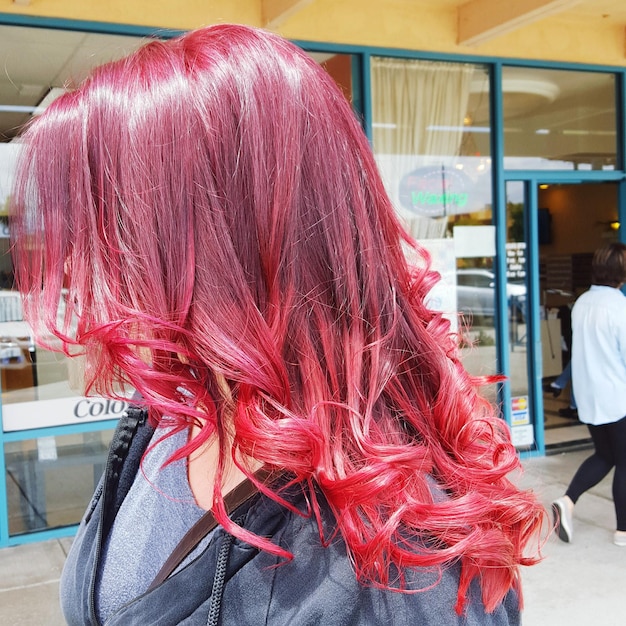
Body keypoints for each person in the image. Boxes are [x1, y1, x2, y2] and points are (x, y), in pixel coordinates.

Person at [10, 24, 544, 625]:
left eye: (109, 233)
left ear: (217, 251)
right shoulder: (181, 401)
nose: (83, 269)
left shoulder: (399, 571)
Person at [552, 242, 626, 547]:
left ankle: (567, 501)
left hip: (591, 395)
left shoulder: (582, 303)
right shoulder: (620, 307)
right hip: (618, 396)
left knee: (606, 455)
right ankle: (623, 531)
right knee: (623, 461)